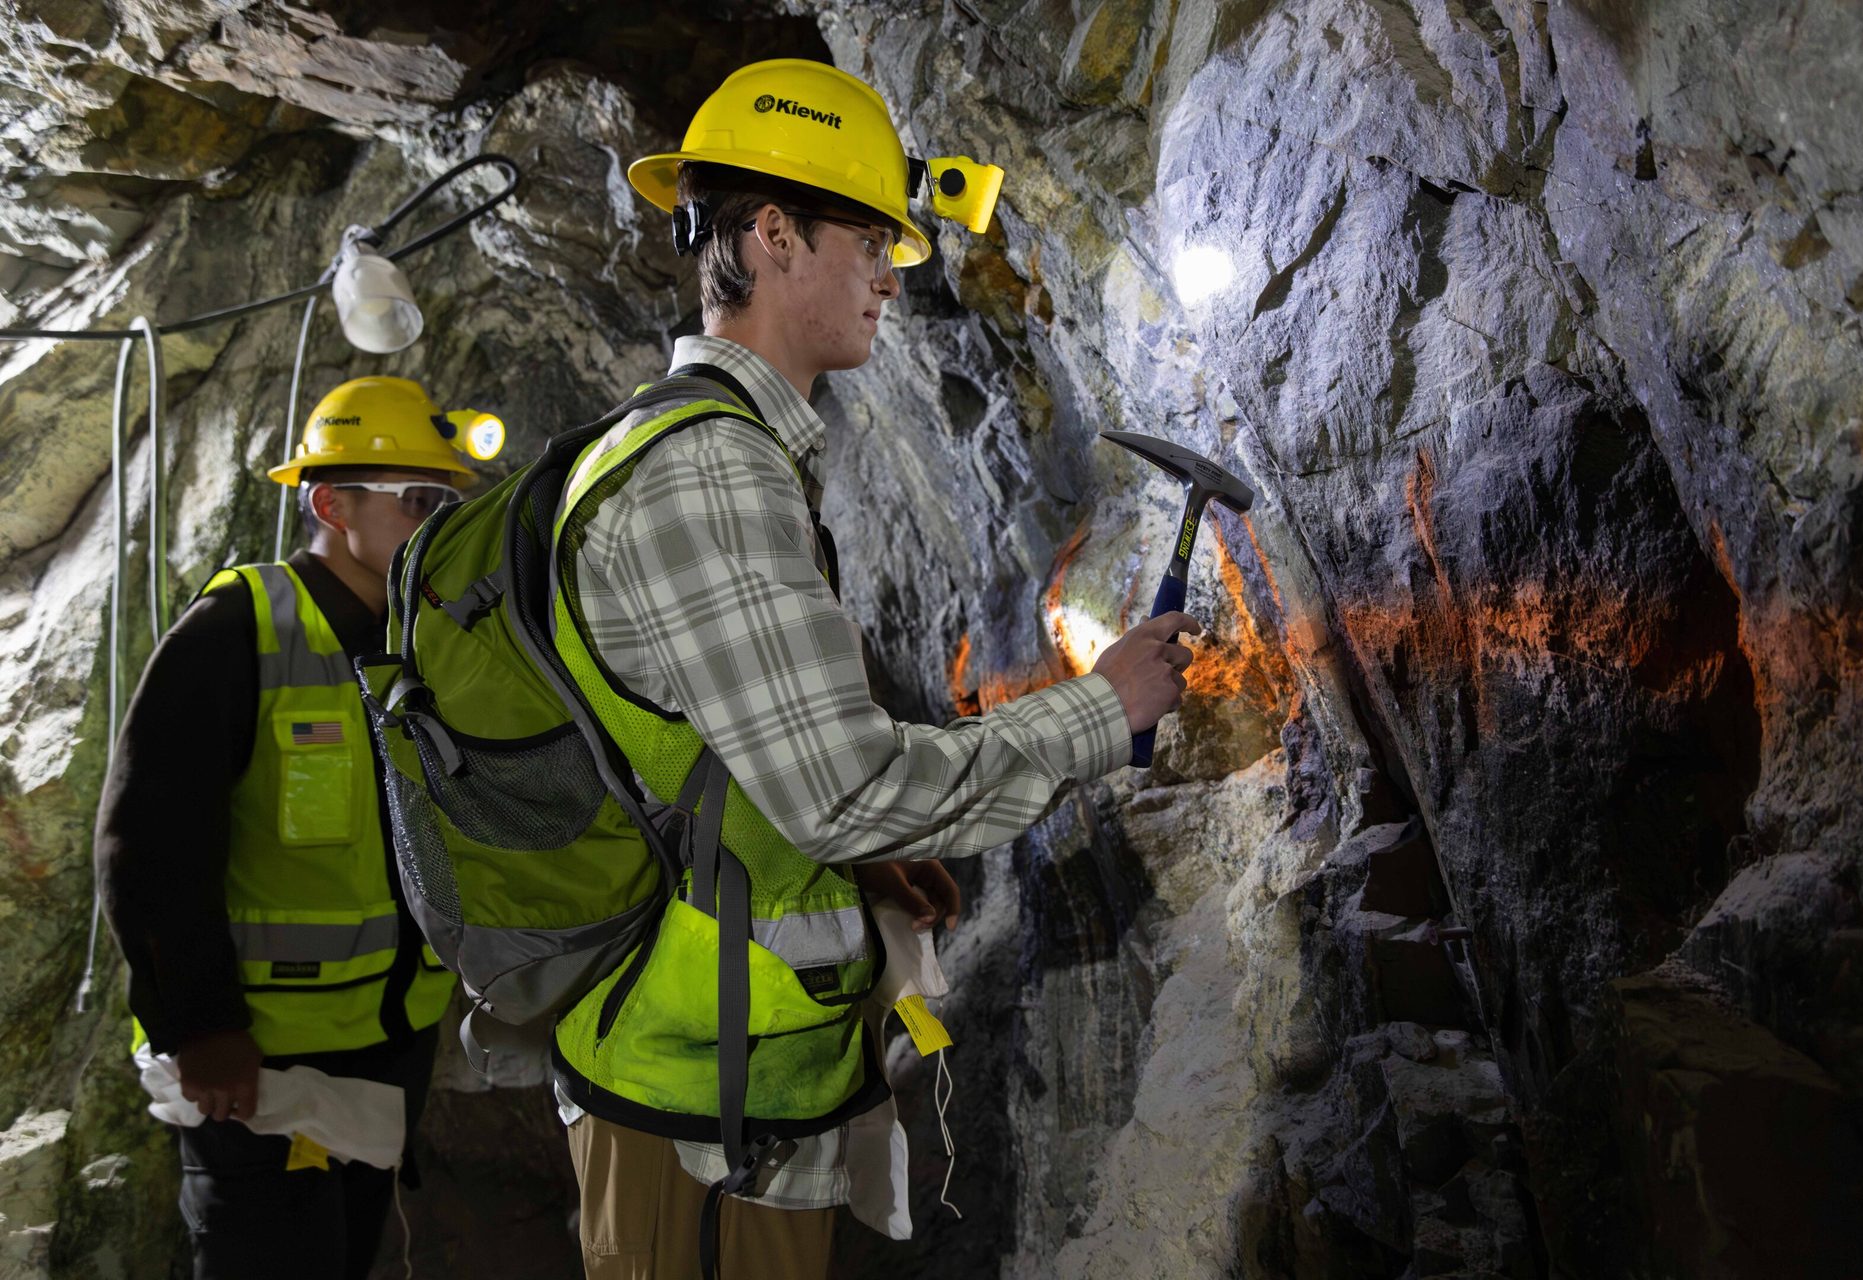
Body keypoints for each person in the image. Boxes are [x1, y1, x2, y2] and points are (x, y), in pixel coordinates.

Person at [550, 59, 1196, 1279]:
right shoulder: (709, 473)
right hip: (698, 1117)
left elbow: (733, 764)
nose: (896, 273)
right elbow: (838, 783)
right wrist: (1096, 711)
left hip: (740, 1081)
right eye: (870, 239)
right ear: (775, 235)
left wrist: (857, 867)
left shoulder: (735, 453)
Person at [94, 375, 494, 1278]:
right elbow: (145, 845)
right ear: (329, 503)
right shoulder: (239, 628)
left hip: (383, 1049)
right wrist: (202, 1028)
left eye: (449, 505)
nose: (438, 526)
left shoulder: (424, 646)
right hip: (256, 1070)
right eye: (417, 501)